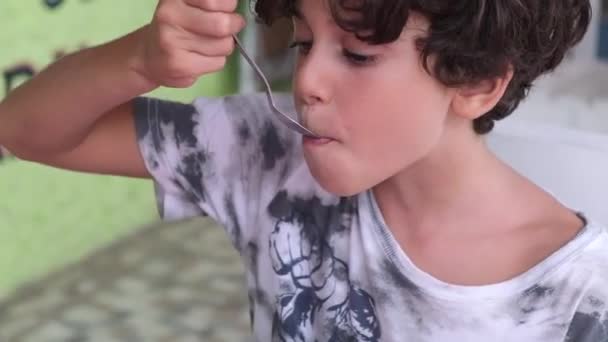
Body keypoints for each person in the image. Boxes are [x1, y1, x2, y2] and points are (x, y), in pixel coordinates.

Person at [1, 0, 606, 340]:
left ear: (476, 82)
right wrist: (139, 59)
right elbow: (23, 129)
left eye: (358, 55)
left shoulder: (581, 301)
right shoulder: (264, 153)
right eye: (301, 44)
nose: (308, 83)